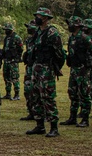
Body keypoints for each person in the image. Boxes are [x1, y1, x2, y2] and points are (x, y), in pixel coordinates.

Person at [26, 8, 65, 137]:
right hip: (36, 67)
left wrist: (55, 67)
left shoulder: (52, 33)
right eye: (37, 15)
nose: (37, 17)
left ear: (46, 18)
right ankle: (39, 125)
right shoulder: (38, 32)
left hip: (46, 68)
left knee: (47, 97)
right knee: (35, 95)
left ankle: (54, 127)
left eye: (40, 16)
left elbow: (60, 53)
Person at [63, 16, 92, 127]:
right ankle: (72, 117)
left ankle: (85, 119)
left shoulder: (85, 38)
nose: (69, 26)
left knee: (84, 94)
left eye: (71, 24)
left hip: (83, 69)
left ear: (76, 25)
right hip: (74, 69)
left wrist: (88, 65)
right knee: (73, 93)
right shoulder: (72, 38)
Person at [2, 23, 23, 102]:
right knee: (6, 77)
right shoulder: (6, 38)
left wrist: (17, 57)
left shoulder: (16, 38)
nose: (6, 31)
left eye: (7, 30)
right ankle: (8, 93)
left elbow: (20, 48)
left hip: (13, 61)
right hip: (6, 60)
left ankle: (17, 94)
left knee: (14, 77)